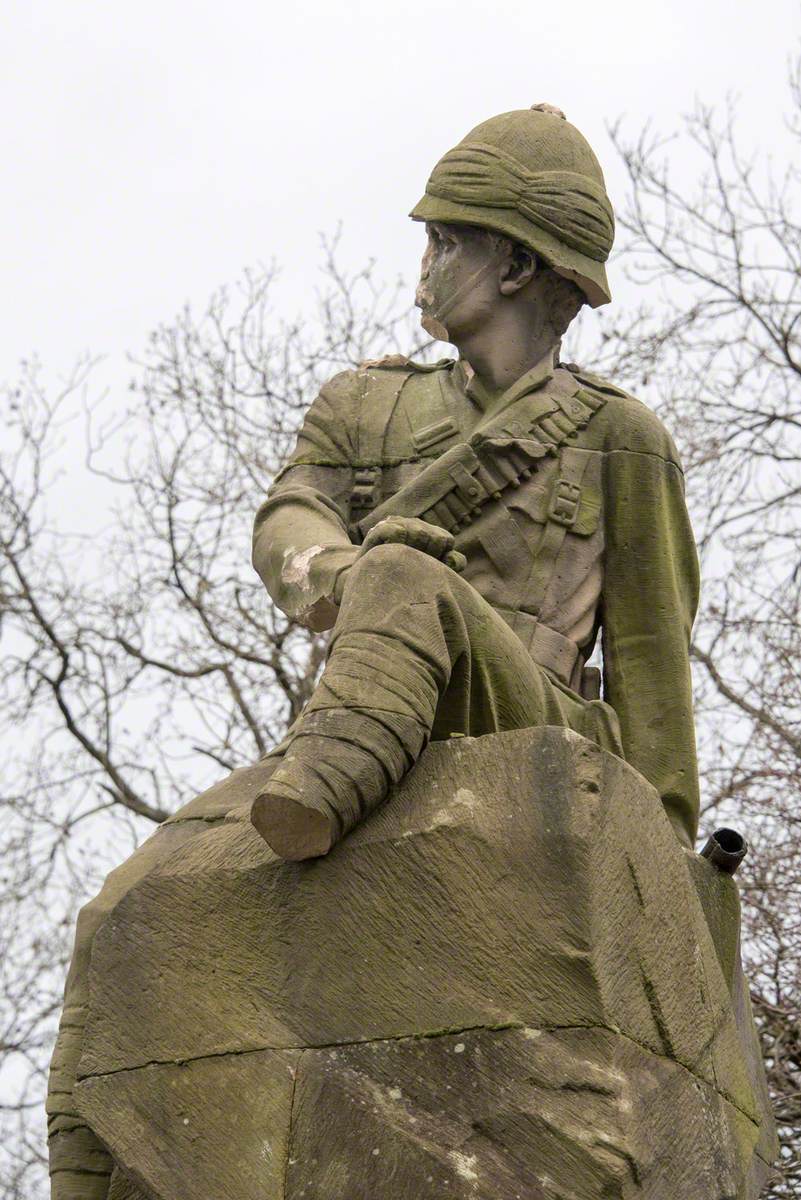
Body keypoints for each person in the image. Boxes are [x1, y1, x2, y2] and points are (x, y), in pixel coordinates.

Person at [47, 103, 700, 1197]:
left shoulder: (619, 440)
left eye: (449, 240)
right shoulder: (368, 405)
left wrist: (661, 868)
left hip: (523, 724)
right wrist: (338, 575)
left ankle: (319, 801)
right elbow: (286, 519)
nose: (426, 265)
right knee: (121, 909)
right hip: (366, 711)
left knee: (406, 574)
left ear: (516, 265)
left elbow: (652, 671)